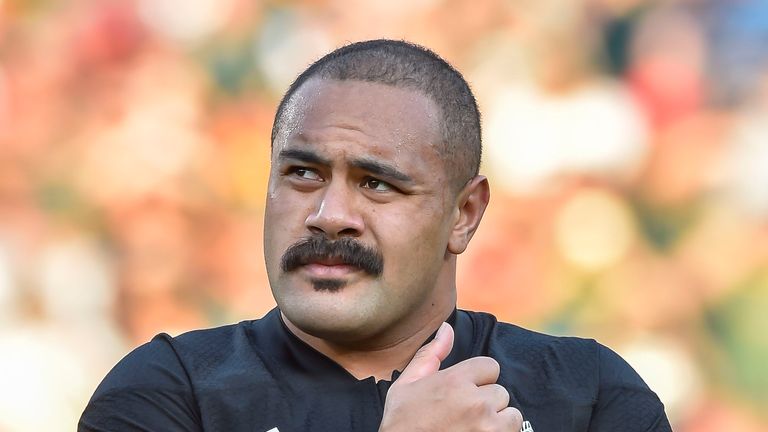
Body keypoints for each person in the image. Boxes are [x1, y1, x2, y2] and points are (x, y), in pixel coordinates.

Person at [79, 39, 672, 432]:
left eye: (377, 184)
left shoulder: (587, 396)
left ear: (464, 213)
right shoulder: (167, 395)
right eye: (303, 174)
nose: (330, 214)